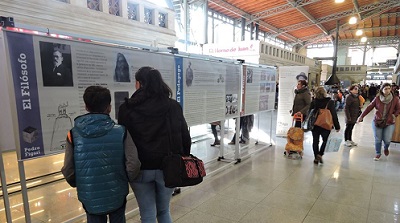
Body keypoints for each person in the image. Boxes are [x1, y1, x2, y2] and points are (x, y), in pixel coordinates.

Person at [118, 66, 191, 223]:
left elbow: (122, 140)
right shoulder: (173, 106)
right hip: (168, 168)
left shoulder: (126, 108)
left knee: (147, 213)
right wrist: (182, 160)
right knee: (164, 210)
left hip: (140, 168)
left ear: (139, 84)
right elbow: (185, 136)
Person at [61, 86, 141, 223]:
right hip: (117, 193)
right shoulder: (121, 132)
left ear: (86, 107)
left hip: (89, 194)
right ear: (109, 107)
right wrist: (124, 180)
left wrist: (80, 183)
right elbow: (133, 163)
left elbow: (68, 169)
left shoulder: (73, 135)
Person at [358, 83, 400, 161]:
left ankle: (386, 148)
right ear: (382, 90)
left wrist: (394, 115)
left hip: (389, 122)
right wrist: (361, 116)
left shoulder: (395, 99)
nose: (387, 90)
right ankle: (378, 153)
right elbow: (369, 107)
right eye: (385, 89)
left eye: (389, 88)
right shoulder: (377, 98)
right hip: (377, 121)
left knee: (387, 140)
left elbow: (398, 108)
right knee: (378, 139)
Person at [309, 86, 340, 165]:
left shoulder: (314, 101)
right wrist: (337, 126)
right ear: (325, 93)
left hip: (315, 124)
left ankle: (316, 156)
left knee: (315, 141)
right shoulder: (330, 102)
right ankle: (320, 154)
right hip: (326, 124)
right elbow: (334, 114)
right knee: (326, 140)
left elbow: (309, 113)